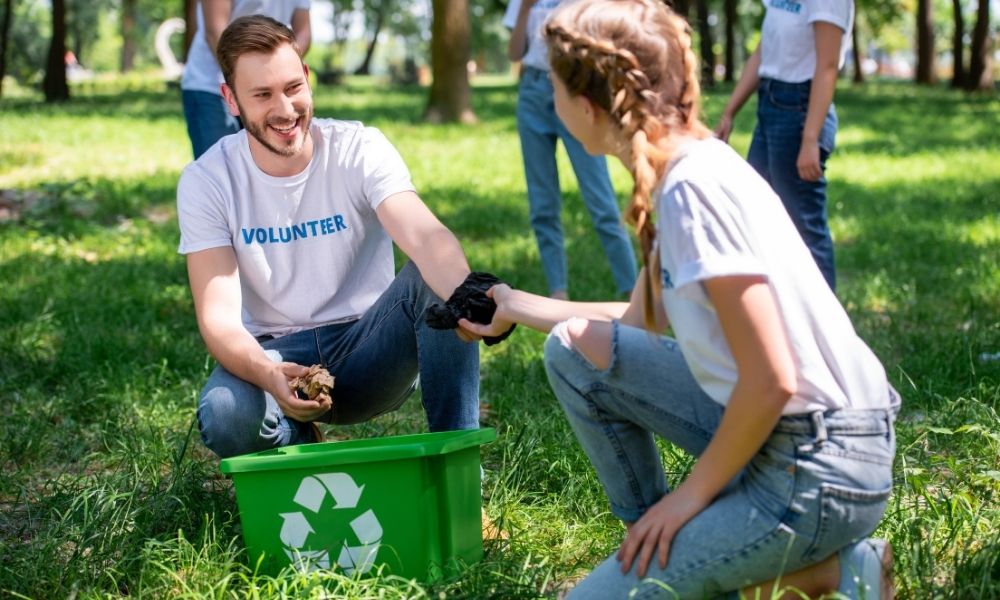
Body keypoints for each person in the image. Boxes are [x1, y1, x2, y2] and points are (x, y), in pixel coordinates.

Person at [461, 1, 897, 597]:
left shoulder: (692, 191)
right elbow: (642, 319)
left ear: (585, 107)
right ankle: (671, 551)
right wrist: (511, 304)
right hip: (807, 438)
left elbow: (773, 379)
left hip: (818, 465)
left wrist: (688, 501)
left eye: (554, 84)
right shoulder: (685, 165)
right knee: (573, 350)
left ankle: (680, 560)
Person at [177, 15, 488, 459]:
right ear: (231, 100)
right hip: (274, 353)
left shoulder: (358, 148)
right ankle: (296, 438)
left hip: (370, 344)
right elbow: (219, 320)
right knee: (225, 413)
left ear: (307, 78)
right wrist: (269, 377)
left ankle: (459, 474)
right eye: (262, 95)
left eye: (292, 87)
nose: (285, 110)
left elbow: (426, 237)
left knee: (436, 281)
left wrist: (476, 298)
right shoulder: (207, 180)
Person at [715, 0, 854, 292]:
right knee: (757, 215)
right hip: (771, 102)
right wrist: (730, 111)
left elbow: (827, 67)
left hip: (800, 110)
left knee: (804, 228)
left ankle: (824, 331)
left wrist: (810, 139)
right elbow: (765, 49)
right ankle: (781, 314)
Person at [504, 0, 638, 300]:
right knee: (543, 204)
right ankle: (558, 294)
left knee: (601, 201)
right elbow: (514, 54)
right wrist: (525, 8)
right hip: (533, 93)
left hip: (574, 90)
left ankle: (634, 294)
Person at [181, 0, 311, 158]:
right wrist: (251, 79)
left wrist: (282, 69)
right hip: (211, 85)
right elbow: (215, 30)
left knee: (271, 166)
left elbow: (304, 32)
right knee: (222, 166)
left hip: (270, 86)